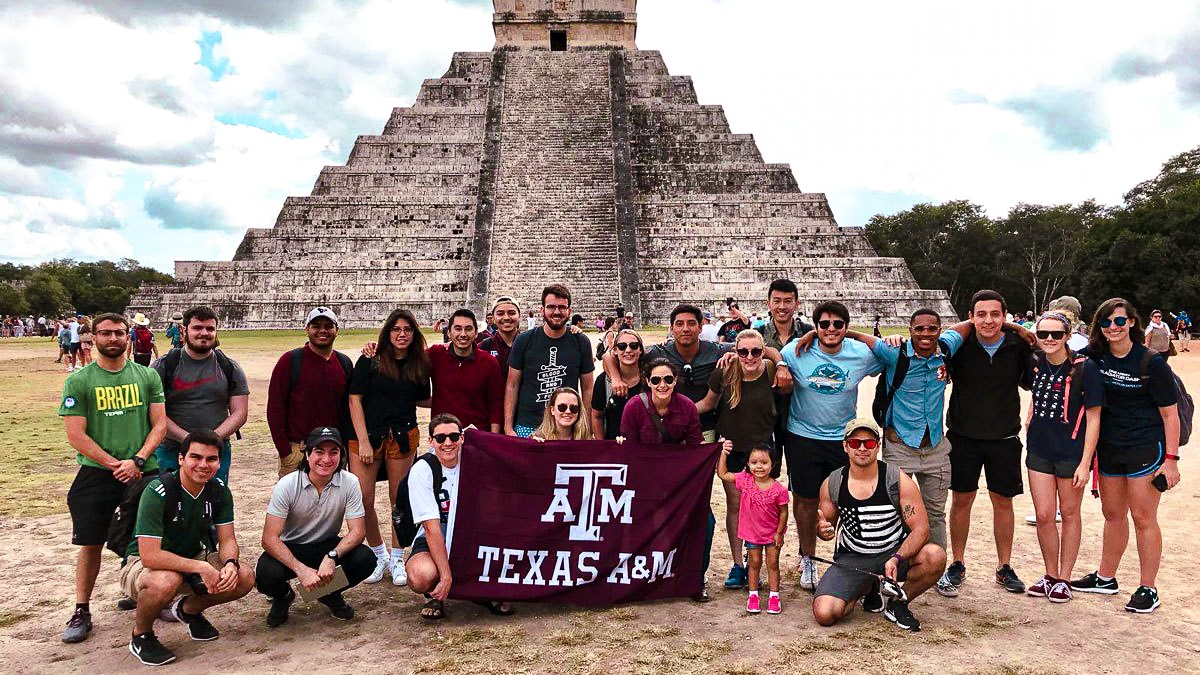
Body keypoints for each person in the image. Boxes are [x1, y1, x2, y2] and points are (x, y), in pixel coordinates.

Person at [59, 312, 167, 644]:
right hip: (97, 472)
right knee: (90, 542)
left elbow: (160, 424)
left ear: (129, 336)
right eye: (105, 333)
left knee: (145, 539)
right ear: (93, 337)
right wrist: (114, 464)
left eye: (119, 333)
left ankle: (141, 592)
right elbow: (76, 434)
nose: (113, 339)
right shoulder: (79, 380)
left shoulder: (147, 376)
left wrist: (138, 459)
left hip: (142, 468)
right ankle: (82, 608)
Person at [1071, 299, 1180, 613]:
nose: (1113, 328)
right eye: (1106, 323)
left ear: (1132, 322)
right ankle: (1106, 578)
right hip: (1110, 449)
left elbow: (1170, 416)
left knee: (1144, 519)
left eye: (1119, 321)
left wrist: (1171, 460)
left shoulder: (1151, 363)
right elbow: (1057, 351)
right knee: (1112, 515)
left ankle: (1148, 587)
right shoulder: (1096, 355)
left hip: (1144, 448)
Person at [119, 429, 255, 666]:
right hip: (144, 564)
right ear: (181, 459)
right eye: (196, 457)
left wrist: (231, 563)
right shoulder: (157, 492)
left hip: (193, 556)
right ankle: (141, 635)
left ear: (219, 462)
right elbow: (150, 555)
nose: (203, 465)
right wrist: (201, 566)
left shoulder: (219, 490)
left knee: (243, 576)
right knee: (165, 581)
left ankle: (188, 610)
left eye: (211, 459)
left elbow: (228, 540)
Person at [936, 290, 1035, 597]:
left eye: (995, 314)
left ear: (1004, 316)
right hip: (963, 435)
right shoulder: (960, 344)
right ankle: (957, 562)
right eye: (981, 314)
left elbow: (1032, 378)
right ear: (971, 316)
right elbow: (946, 339)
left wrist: (1017, 330)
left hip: (1004, 437)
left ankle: (1004, 565)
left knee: (1002, 502)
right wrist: (1014, 326)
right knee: (961, 501)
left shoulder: (1017, 345)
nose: (988, 320)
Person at [782, 300, 884, 591]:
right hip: (803, 435)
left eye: (838, 324)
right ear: (815, 327)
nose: (831, 329)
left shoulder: (859, 354)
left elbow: (887, 354)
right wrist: (779, 363)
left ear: (846, 328)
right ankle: (808, 556)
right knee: (804, 499)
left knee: (846, 500)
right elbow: (775, 354)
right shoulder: (797, 351)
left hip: (842, 439)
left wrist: (851, 336)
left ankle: (845, 556)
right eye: (823, 324)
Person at [812, 419, 946, 632]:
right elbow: (826, 527)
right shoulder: (833, 483)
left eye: (869, 443)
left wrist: (896, 558)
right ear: (845, 446)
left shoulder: (897, 479)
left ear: (878, 445)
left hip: (894, 553)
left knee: (935, 556)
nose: (863, 448)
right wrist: (822, 531)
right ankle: (867, 586)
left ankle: (898, 604)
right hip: (854, 558)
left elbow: (921, 529)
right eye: (855, 443)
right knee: (825, 613)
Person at [840, 309, 952, 553]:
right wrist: (810, 335)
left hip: (935, 446)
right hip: (900, 445)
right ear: (910, 330)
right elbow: (852, 335)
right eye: (919, 328)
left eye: (932, 328)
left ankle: (935, 566)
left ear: (940, 331)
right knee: (895, 510)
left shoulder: (946, 349)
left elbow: (972, 324)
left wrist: (1017, 327)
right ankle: (896, 563)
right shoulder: (893, 352)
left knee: (935, 513)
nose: (925, 334)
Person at [256, 426, 377, 627]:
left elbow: (358, 531)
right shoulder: (287, 485)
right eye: (319, 452)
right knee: (265, 574)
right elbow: (269, 538)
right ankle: (284, 596)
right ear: (307, 453)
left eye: (333, 452)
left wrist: (332, 556)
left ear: (342, 455)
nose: (326, 459)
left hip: (325, 546)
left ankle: (326, 593)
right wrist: (301, 570)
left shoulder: (350, 482)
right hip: (291, 546)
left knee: (365, 558)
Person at [1021, 312, 1103, 603]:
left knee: (1069, 514)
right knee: (1044, 515)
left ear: (1068, 335)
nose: (1050, 340)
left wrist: (1085, 462)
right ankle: (1050, 574)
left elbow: (1094, 418)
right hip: (1040, 448)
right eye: (1043, 335)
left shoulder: (1084, 368)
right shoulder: (1034, 363)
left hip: (1071, 452)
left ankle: (1065, 577)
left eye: (1056, 334)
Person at [348, 308, 431, 586]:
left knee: (400, 501)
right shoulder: (371, 359)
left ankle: (397, 555)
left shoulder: (417, 364)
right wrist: (362, 441)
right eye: (396, 329)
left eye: (407, 330)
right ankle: (378, 553)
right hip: (368, 436)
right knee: (363, 498)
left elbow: (423, 399)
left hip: (402, 437)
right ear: (387, 332)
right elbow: (355, 399)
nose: (402, 334)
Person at [405, 414, 514, 619]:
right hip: (441, 531)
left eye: (454, 437)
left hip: (475, 532)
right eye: (440, 438)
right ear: (430, 441)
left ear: (462, 438)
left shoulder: (474, 458)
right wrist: (445, 576)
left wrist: (535, 446)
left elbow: (513, 460)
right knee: (421, 576)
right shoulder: (423, 469)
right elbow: (431, 528)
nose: (448, 443)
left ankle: (482, 592)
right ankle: (436, 594)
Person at [618, 358, 710, 600]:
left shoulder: (687, 407)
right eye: (656, 380)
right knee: (634, 526)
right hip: (644, 481)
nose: (662, 385)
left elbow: (694, 446)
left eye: (668, 379)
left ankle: (695, 578)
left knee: (705, 522)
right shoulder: (634, 407)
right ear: (648, 382)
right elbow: (629, 450)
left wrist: (716, 451)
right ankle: (634, 577)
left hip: (678, 480)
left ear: (675, 381)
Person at [695, 329, 780, 590]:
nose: (749, 356)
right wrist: (672, 410)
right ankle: (738, 563)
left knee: (765, 508)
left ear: (762, 351)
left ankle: (762, 561)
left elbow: (779, 357)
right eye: (743, 351)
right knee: (736, 506)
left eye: (755, 351)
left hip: (763, 452)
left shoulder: (770, 370)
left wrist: (780, 361)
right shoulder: (725, 371)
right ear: (735, 351)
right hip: (733, 448)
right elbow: (708, 403)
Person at [151, 306, 249, 486]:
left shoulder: (229, 367)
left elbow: (240, 412)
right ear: (183, 330)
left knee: (213, 503)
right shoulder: (164, 366)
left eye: (210, 329)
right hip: (172, 448)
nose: (204, 333)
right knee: (170, 504)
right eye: (197, 328)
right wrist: (189, 440)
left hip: (216, 449)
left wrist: (211, 439)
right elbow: (154, 413)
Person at [266, 307, 353, 478]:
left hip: (333, 450)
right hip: (298, 448)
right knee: (296, 502)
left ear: (337, 330)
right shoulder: (290, 361)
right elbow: (276, 408)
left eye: (328, 326)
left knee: (333, 502)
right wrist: (285, 450)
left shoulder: (344, 363)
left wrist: (344, 449)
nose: (322, 330)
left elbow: (349, 410)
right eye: (316, 326)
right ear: (307, 329)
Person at [505, 285, 595, 438]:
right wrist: (508, 428)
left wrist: (586, 428)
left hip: (565, 427)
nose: (557, 312)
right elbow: (512, 385)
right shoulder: (524, 340)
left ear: (569, 311)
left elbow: (587, 388)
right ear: (542, 310)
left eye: (562, 307)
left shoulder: (580, 342)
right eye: (551, 307)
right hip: (528, 424)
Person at [716, 442, 788, 614]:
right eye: (754, 462)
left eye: (764, 462)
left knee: (773, 563)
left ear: (773, 464)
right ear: (747, 464)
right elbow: (723, 474)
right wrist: (723, 453)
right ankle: (753, 595)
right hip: (752, 534)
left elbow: (784, 513)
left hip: (772, 535)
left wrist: (779, 533)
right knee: (754, 564)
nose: (759, 467)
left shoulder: (779, 490)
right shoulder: (744, 480)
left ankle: (774, 596)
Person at [590, 328, 645, 440]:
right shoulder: (603, 381)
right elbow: (597, 416)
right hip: (612, 448)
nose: (628, 350)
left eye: (634, 345)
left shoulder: (650, 380)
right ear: (615, 350)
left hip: (644, 448)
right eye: (622, 346)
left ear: (640, 350)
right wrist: (601, 445)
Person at [481, 296, 521, 376]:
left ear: (519, 316)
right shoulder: (484, 347)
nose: (506, 317)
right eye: (500, 314)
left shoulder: (529, 344)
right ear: (493, 318)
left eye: (512, 313)